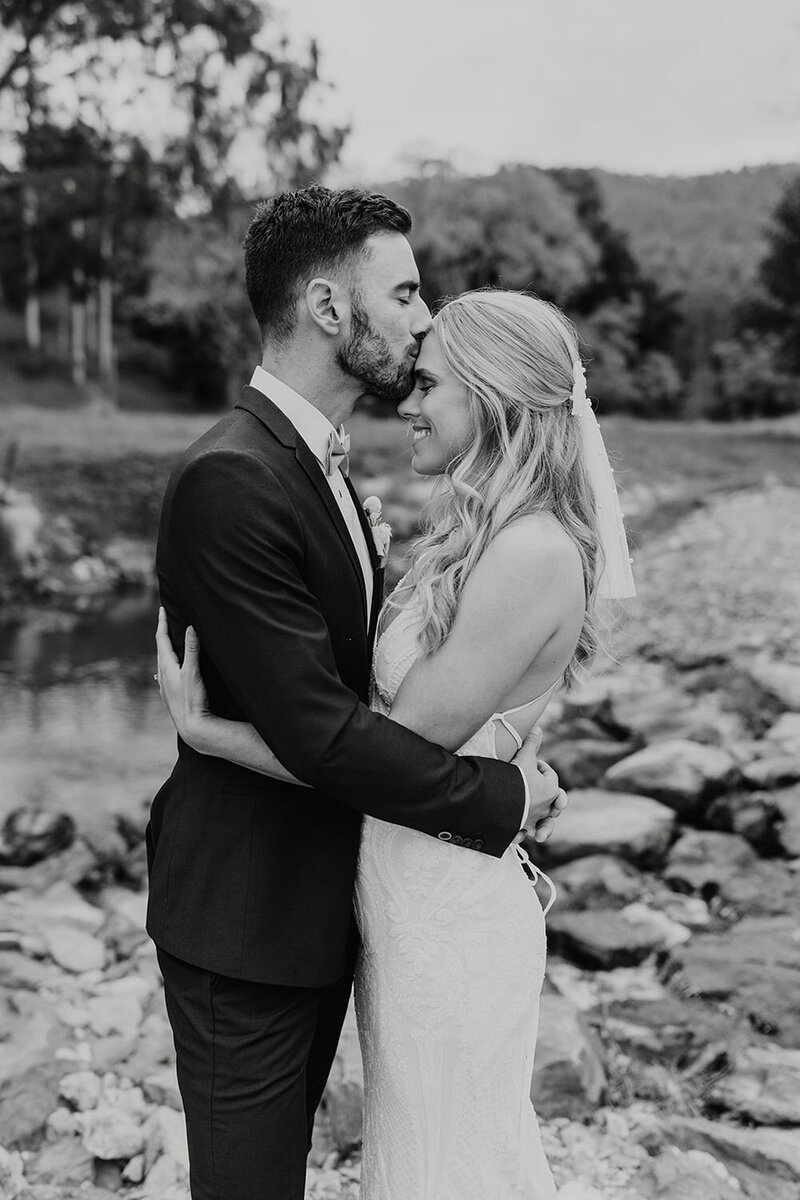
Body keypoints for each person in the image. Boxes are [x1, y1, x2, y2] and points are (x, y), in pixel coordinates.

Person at [156, 287, 636, 1198]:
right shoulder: (475, 532)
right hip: (401, 902)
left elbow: (383, 750)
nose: (407, 402)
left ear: (492, 399)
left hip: (447, 915)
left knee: (442, 1171)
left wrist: (214, 733)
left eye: (430, 385)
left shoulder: (530, 550)